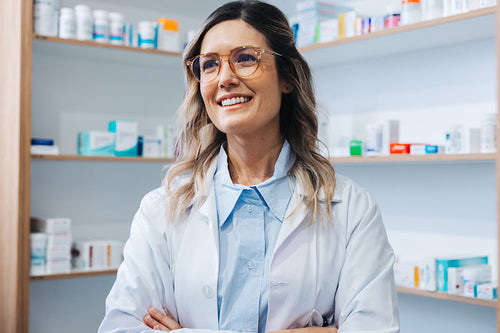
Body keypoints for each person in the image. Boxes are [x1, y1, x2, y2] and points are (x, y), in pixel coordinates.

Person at [98, 1, 400, 332]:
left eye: (245, 59)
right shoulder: (161, 210)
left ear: (287, 77)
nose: (225, 78)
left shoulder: (353, 209)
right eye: (210, 64)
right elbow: (121, 327)